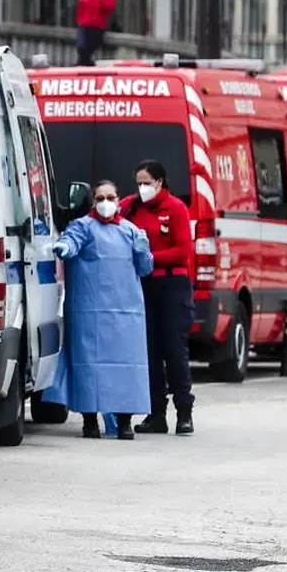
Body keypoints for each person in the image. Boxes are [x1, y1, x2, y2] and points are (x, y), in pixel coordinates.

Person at [47, 181, 154, 440]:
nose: (106, 202)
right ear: (93, 201)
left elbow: (145, 269)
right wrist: (65, 247)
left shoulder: (131, 231)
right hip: (89, 313)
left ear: (118, 199)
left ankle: (125, 421)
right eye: (100, 198)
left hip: (126, 314)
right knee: (89, 366)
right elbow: (71, 242)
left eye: (111, 197)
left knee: (126, 366)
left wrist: (144, 252)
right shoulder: (83, 227)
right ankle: (90, 420)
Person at [120, 160, 197, 436]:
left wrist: (149, 257)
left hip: (172, 285)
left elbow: (182, 250)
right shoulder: (131, 207)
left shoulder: (175, 208)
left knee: (174, 351)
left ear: (160, 183)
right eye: (139, 182)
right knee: (149, 352)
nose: (142, 188)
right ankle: (156, 413)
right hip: (144, 286)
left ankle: (184, 412)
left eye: (146, 183)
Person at [75, 0, 116, 66]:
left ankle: (86, 64)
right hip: (84, 25)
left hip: (97, 26)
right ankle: (84, 64)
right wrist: (80, 20)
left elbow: (110, 7)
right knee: (81, 47)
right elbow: (81, 7)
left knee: (88, 47)